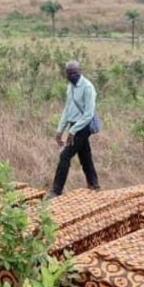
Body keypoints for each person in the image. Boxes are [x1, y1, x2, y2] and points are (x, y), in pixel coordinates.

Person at [47, 60, 100, 199]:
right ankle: (94, 185)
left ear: (80, 71)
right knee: (85, 156)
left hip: (83, 126)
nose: (72, 76)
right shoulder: (70, 87)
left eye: (74, 73)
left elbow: (88, 114)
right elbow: (67, 109)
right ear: (66, 74)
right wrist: (60, 130)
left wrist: (73, 131)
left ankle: (56, 190)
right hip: (73, 126)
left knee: (64, 156)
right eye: (69, 73)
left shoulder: (88, 87)